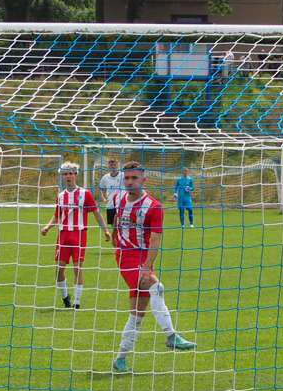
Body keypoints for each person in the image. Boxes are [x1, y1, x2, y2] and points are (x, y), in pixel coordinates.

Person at [111, 162, 196, 373]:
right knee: (157, 287)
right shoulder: (118, 199)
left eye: (134, 178)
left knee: (137, 314)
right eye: (127, 178)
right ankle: (171, 336)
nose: (130, 182)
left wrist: (147, 266)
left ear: (144, 180)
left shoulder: (154, 206)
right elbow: (116, 222)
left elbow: (156, 239)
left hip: (145, 259)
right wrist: (115, 239)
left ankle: (120, 360)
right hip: (126, 257)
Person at [40, 162, 111, 309]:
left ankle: (77, 302)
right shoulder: (60, 196)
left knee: (77, 267)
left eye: (71, 174)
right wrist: (48, 227)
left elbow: (96, 213)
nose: (68, 176)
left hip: (79, 235)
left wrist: (105, 230)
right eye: (65, 174)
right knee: (59, 269)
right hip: (63, 236)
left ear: (76, 175)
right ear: (62, 176)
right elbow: (57, 215)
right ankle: (65, 297)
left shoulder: (85, 194)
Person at [96, 158, 124, 228]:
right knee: (113, 226)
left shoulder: (123, 176)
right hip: (110, 205)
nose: (113, 166)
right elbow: (99, 189)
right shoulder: (105, 177)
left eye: (115, 164)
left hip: (122, 205)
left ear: (118, 165)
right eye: (111, 165)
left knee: (123, 225)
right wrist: (103, 199)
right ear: (109, 166)